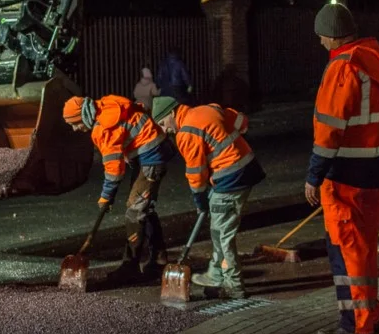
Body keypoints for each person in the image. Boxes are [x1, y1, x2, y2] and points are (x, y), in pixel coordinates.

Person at [304, 2, 379, 334]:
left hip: (345, 173)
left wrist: (313, 176)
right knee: (365, 249)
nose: (320, 44)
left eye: (321, 38)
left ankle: (355, 324)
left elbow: (329, 129)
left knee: (346, 249)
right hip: (377, 171)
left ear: (332, 37)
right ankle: (370, 315)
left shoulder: (343, 67)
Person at [152, 96, 265, 299]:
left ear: (171, 113)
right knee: (218, 227)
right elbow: (242, 122)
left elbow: (196, 173)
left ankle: (234, 285)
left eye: (162, 123)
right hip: (246, 168)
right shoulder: (209, 108)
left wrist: (199, 201)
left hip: (230, 178)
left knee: (223, 234)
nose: (165, 130)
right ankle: (215, 275)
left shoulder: (186, 132)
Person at [62, 94, 175, 284]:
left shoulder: (103, 127)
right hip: (152, 150)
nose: (75, 128)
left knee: (135, 211)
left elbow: (114, 170)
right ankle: (158, 260)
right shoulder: (106, 105)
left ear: (82, 116)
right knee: (144, 208)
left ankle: (130, 267)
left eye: (75, 123)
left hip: (151, 158)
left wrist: (106, 197)